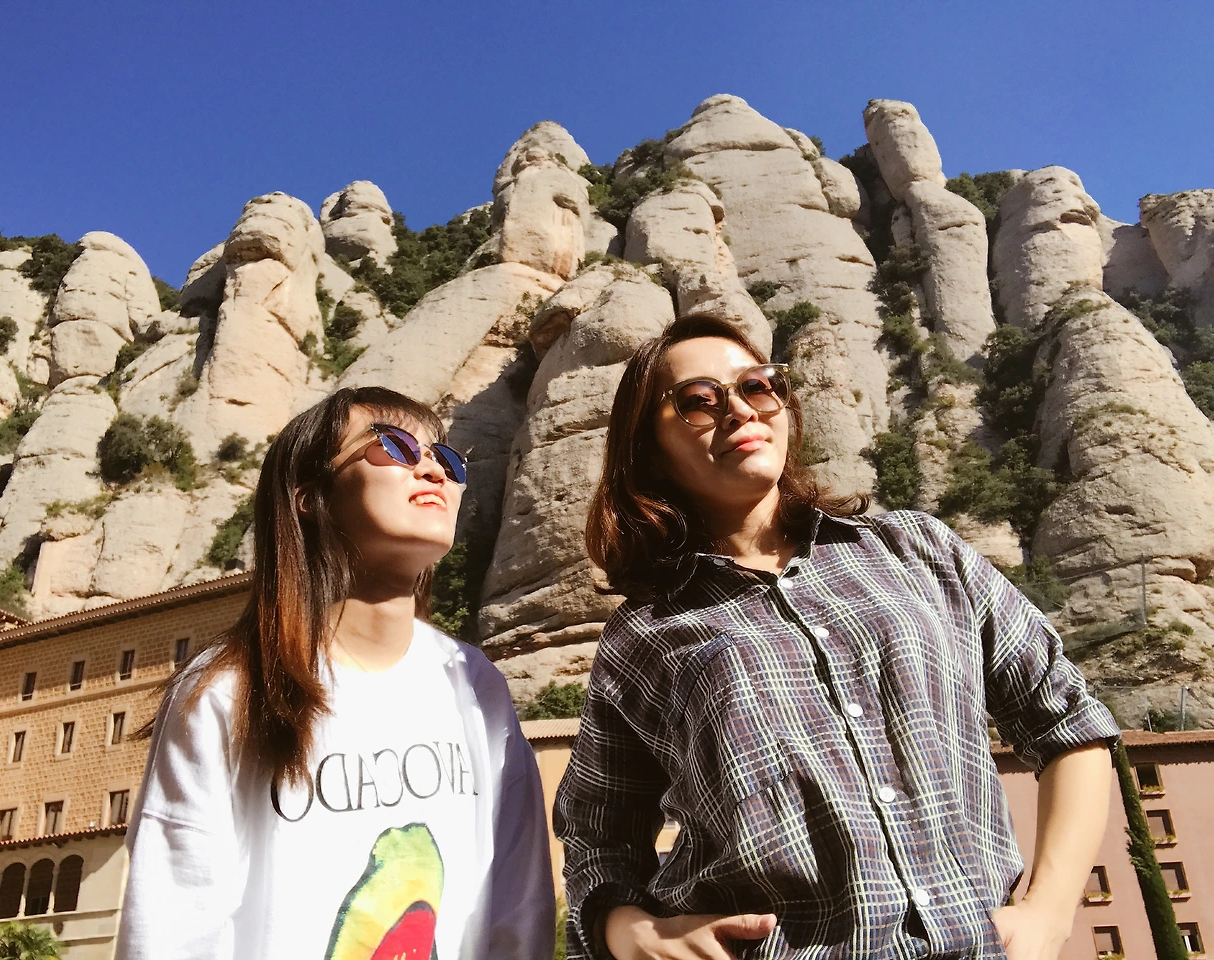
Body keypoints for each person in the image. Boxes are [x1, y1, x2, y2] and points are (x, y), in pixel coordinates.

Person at [554, 316, 1118, 960]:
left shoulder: (916, 549)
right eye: (699, 400)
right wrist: (629, 934)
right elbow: (598, 836)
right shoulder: (644, 635)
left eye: (758, 385)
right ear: (649, 447)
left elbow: (1067, 718)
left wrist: (1049, 911)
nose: (740, 409)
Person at [116, 386, 554, 960]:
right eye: (394, 447)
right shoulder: (229, 691)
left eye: (446, 459)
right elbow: (176, 921)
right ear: (309, 497)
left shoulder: (475, 685)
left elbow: (518, 905)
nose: (432, 470)